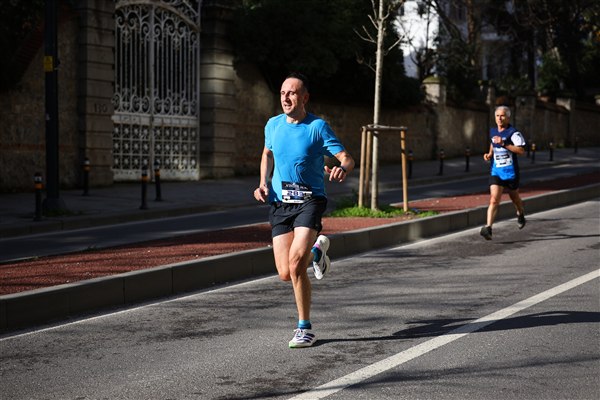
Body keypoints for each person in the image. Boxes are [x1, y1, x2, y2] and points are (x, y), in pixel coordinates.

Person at [253, 73, 355, 348]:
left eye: (292, 93)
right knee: (285, 273)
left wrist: (341, 169)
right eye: (282, 93)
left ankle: (304, 328)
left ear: (305, 97)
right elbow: (267, 153)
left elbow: (347, 158)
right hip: (280, 203)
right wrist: (263, 182)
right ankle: (317, 252)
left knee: (296, 264)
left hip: (310, 200)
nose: (286, 97)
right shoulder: (273, 125)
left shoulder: (317, 127)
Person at [480, 105, 526, 240]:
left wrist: (505, 144)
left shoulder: (514, 133)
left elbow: (521, 151)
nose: (499, 118)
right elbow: (493, 143)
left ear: (508, 117)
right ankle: (488, 228)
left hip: (511, 172)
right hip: (496, 171)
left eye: (502, 116)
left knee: (514, 198)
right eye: (497, 116)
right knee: (494, 199)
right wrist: (489, 154)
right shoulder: (493, 131)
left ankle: (520, 213)